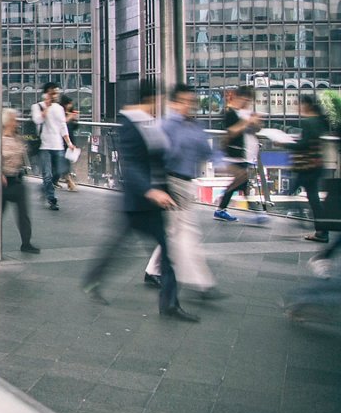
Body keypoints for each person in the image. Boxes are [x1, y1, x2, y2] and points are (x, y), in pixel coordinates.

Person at [83, 80, 197, 321]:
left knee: (164, 253)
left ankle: (169, 304)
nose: (161, 104)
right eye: (159, 99)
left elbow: (158, 159)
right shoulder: (131, 124)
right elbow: (131, 165)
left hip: (153, 203)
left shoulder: (149, 123)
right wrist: (150, 191)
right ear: (151, 99)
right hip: (138, 202)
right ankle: (93, 279)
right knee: (120, 247)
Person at [143, 84, 219, 297]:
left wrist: (223, 161)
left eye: (191, 102)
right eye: (183, 101)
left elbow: (206, 150)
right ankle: (202, 282)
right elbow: (155, 155)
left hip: (186, 183)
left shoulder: (195, 126)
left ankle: (152, 271)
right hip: (170, 182)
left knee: (173, 231)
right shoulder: (166, 125)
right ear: (174, 103)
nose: (188, 106)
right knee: (187, 232)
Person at [214, 85, 268, 223]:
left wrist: (256, 122)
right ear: (240, 97)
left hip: (246, 154)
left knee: (241, 183)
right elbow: (232, 132)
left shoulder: (247, 113)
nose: (248, 102)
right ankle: (254, 212)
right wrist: (247, 122)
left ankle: (222, 209)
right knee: (241, 179)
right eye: (247, 99)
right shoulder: (230, 112)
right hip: (234, 154)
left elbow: (256, 130)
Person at [292, 94, 332, 245]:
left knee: (313, 199)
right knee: (313, 198)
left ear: (306, 105)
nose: (297, 107)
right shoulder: (319, 120)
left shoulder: (309, 122)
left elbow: (304, 144)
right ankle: (322, 231)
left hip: (308, 166)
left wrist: (284, 143)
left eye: (299, 104)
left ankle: (322, 231)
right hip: (316, 164)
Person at [2, 109, 39, 253]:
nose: (16, 122)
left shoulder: (18, 138)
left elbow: (26, 152)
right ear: (8, 122)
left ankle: (26, 243)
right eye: (14, 120)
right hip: (3, 182)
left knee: (23, 214)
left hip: (17, 179)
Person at [31, 82, 73, 211]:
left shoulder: (59, 108)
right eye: (52, 93)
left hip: (58, 145)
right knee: (47, 174)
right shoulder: (37, 106)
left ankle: (44, 188)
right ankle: (52, 199)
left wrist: (69, 143)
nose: (55, 95)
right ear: (46, 94)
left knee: (59, 171)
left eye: (56, 93)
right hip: (44, 146)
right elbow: (37, 120)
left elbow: (62, 126)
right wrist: (47, 107)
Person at [59, 95, 80, 192]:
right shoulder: (60, 112)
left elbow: (74, 127)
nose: (71, 105)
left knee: (66, 161)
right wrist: (69, 117)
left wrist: (75, 119)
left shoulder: (70, 112)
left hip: (70, 140)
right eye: (69, 104)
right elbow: (61, 125)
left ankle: (67, 180)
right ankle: (69, 182)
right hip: (62, 140)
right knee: (64, 161)